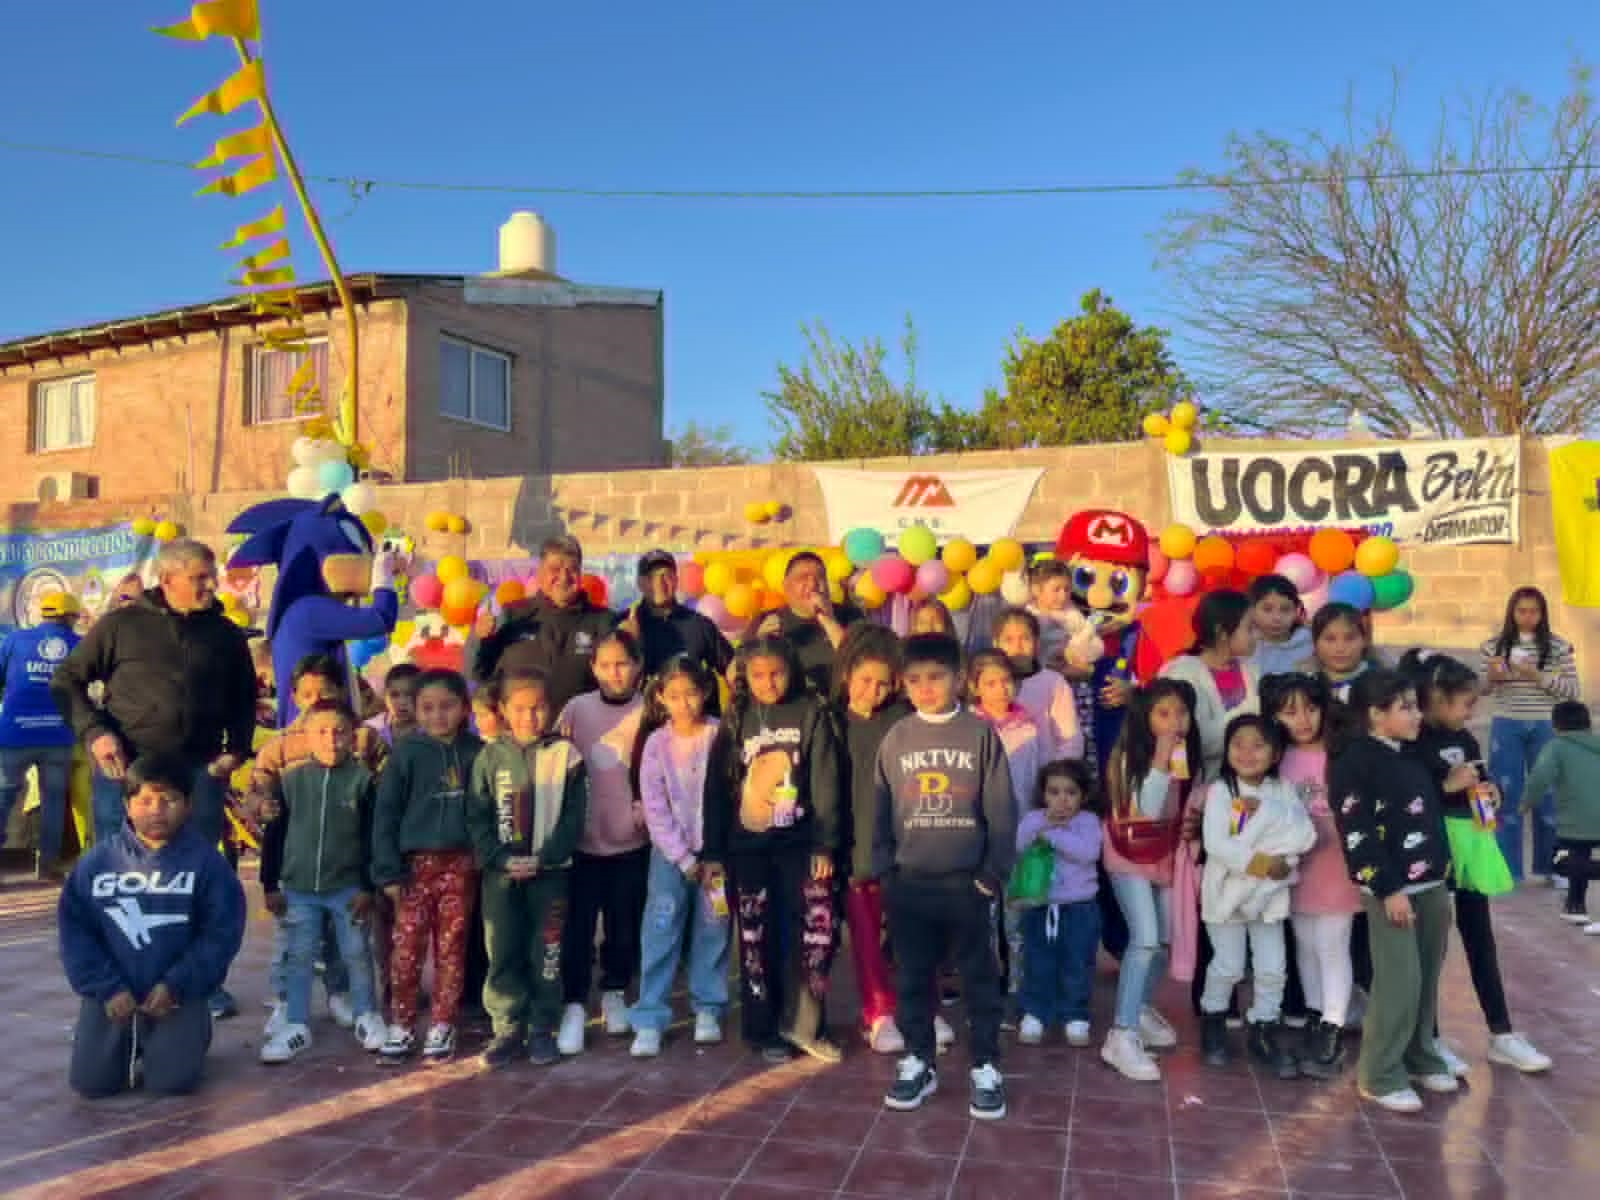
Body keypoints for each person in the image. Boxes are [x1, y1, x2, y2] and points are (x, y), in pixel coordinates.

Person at [52, 539, 256, 1019]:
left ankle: (199, 985)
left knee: (198, 878)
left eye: (210, 576)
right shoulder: (121, 625)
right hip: (126, 772)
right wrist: (96, 734)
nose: (210, 586)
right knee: (115, 880)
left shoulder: (225, 634)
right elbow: (66, 680)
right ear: (167, 580)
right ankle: (108, 991)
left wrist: (236, 749)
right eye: (199, 578)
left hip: (197, 773)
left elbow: (244, 697)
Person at [873, 633, 1016, 1120]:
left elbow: (1001, 809)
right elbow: (880, 807)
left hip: (967, 884)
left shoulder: (979, 735)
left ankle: (985, 1065)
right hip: (911, 884)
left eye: (935, 677)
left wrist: (992, 874)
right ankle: (919, 1060)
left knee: (979, 979)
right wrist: (886, 870)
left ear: (959, 679)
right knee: (913, 978)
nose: (925, 688)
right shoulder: (897, 737)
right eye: (914, 679)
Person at [58, 755, 246, 1098]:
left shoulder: (208, 864)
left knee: (170, 1084)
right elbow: (76, 932)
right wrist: (106, 987)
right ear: (127, 806)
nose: (157, 810)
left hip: (176, 994)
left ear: (188, 806)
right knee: (91, 1084)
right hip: (111, 994)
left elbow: (220, 935)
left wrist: (177, 985)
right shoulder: (97, 863)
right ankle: (126, 1039)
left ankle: (193, 1028)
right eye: (145, 800)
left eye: (169, 800)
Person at [1401, 650, 1551, 1075]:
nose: (1471, 712)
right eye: (1465, 703)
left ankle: (1502, 1033)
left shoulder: (1464, 739)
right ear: (1436, 699)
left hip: (1469, 846)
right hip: (1431, 851)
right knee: (1431, 946)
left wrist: (1489, 794)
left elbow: (1479, 778)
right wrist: (1446, 786)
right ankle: (1428, 1037)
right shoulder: (1413, 742)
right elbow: (1410, 798)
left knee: (1480, 938)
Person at [703, 635, 844, 1063]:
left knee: (813, 935)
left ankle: (805, 1025)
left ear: (791, 670)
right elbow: (717, 790)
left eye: (776, 673)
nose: (768, 683)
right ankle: (761, 1029)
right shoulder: (737, 717)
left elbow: (825, 780)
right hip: (747, 850)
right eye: (759, 675)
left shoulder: (810, 712)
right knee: (755, 940)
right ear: (746, 676)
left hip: (801, 846)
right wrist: (713, 852)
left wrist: (824, 844)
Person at [1329, 669, 1454, 1114]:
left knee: (1426, 978)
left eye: (1415, 706)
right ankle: (1379, 1074)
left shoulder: (1414, 752)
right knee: (1399, 981)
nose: (1417, 715)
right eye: (1406, 708)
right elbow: (1357, 831)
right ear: (1375, 714)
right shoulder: (1354, 762)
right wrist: (1387, 889)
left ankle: (1420, 1056)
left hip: (1432, 884)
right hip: (1392, 890)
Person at [252, 655, 387, 1038]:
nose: (330, 738)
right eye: (307, 694)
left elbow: (375, 821)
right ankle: (287, 1008)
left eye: (325, 692)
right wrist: (269, 882)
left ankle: (347, 999)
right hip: (298, 877)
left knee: (351, 948)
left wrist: (369, 883)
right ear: (294, 697)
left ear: (342, 693)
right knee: (294, 947)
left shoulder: (363, 750)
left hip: (345, 877)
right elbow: (267, 814)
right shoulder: (282, 755)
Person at [468, 670, 588, 1068]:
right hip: (501, 878)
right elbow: (477, 816)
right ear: (503, 710)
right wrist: (500, 858)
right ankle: (507, 1027)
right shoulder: (489, 757)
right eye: (519, 708)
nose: (529, 717)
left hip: (550, 875)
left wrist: (545, 857)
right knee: (502, 949)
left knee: (547, 950)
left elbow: (574, 817)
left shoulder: (567, 755)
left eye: (538, 708)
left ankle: (541, 1026)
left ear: (550, 708)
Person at [372, 669, 483, 1060]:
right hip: (413, 869)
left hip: (461, 865)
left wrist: (483, 855)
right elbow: (386, 814)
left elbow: (486, 809)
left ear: (465, 708)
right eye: (428, 708)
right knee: (406, 949)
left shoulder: (477, 752)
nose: (438, 715)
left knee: (451, 948)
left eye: (447, 706)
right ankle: (402, 1024)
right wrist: (387, 871)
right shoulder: (406, 754)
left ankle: (442, 1024)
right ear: (417, 712)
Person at [1197, 715, 1314, 1075]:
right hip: (1228, 897)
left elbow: (1303, 834)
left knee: (1272, 968)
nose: (1247, 753)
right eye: (1238, 745)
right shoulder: (1222, 792)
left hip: (1269, 897)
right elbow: (1218, 845)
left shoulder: (1283, 791)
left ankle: (1263, 1028)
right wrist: (1264, 862)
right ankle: (1213, 1018)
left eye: (1258, 745)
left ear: (1276, 753)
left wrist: (1277, 843)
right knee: (1229, 965)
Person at [1100, 679, 1204, 1082]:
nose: (1175, 722)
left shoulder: (1187, 755)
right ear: (1145, 718)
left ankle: (1140, 1007)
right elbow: (1146, 806)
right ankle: (1121, 1033)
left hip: (1165, 855)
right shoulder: (1131, 755)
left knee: (1162, 940)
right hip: (1128, 855)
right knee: (1143, 939)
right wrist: (1162, 753)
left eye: (1182, 713)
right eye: (1163, 713)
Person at [833, 625, 929, 1054]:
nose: (872, 692)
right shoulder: (831, 722)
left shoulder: (903, 721)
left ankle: (920, 1008)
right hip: (855, 850)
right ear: (846, 673)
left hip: (904, 849)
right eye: (865, 680)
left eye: (883, 684)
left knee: (912, 935)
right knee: (867, 937)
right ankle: (878, 1014)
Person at [628, 657, 730, 1056]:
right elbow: (655, 807)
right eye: (674, 695)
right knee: (661, 928)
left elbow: (731, 795)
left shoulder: (721, 735)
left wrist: (715, 853)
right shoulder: (657, 743)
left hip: (716, 857)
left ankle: (709, 1007)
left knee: (714, 927)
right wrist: (684, 858)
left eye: (691, 693)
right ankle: (650, 1014)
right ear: (660, 697)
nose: (684, 703)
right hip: (670, 858)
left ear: (705, 692)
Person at [555, 630, 649, 1055]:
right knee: (577, 927)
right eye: (605, 664)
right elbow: (556, 759)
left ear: (638, 666)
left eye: (623, 663)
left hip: (631, 843)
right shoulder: (577, 709)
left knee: (623, 925)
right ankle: (574, 1002)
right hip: (582, 842)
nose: (615, 673)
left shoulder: (649, 710)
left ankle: (614, 990)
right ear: (593, 667)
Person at [1262, 672, 1359, 1079]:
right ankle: (1317, 1016)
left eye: (1311, 709)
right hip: (1295, 862)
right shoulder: (1276, 757)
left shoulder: (1342, 753)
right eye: (1290, 712)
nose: (1302, 720)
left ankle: (1334, 1026)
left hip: (1337, 859)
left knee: (1332, 942)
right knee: (1304, 941)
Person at [1480, 587, 1581, 882]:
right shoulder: (1494, 646)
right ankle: (1507, 870)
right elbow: (1481, 689)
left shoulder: (1558, 647)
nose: (1527, 617)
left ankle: (1553, 867)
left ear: (1543, 613)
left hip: (1545, 724)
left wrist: (1538, 676)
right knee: (1504, 796)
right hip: (1506, 723)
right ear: (1511, 612)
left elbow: (1573, 691)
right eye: (1521, 611)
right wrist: (1493, 678)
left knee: (1549, 796)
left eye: (1534, 611)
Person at [969, 649, 1043, 1010]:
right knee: (984, 918)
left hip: (1023, 833)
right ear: (975, 687)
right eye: (991, 683)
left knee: (1018, 917)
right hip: (982, 838)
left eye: (1007, 681)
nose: (1001, 689)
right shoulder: (969, 727)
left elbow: (1038, 778)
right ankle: (985, 987)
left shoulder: (1029, 725)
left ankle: (1018, 987)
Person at [469, 535, 616, 711]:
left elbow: (619, 682)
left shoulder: (603, 621)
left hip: (583, 725)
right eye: (555, 569)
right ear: (539, 572)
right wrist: (479, 639)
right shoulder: (512, 616)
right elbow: (476, 674)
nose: (564, 577)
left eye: (572, 569)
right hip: (522, 726)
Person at [1014, 759, 1103, 1048]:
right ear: (1043, 794)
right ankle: (1035, 1013)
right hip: (1039, 906)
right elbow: (1020, 843)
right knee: (1038, 960)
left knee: (1077, 962)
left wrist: (1053, 836)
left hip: (1080, 907)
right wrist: (1045, 824)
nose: (1062, 800)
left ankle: (1075, 1014)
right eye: (1054, 792)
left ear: (1083, 796)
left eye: (1070, 792)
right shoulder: (1034, 819)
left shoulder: (1088, 822)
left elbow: (1088, 853)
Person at [0, 590, 81, 877]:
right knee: (53, 801)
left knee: (4, 797)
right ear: (71, 617)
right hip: (58, 736)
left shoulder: (14, 640)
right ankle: (48, 865)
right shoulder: (79, 643)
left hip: (15, 734)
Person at [1159, 590, 1261, 782]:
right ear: (1221, 633)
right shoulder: (1182, 674)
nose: (1257, 635)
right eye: (1250, 628)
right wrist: (1253, 707)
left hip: (1248, 784)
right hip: (1200, 788)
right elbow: (1197, 739)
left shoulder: (1252, 670)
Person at [1523, 701, 1600, 932]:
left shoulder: (1557, 747)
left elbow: (1539, 777)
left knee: (1561, 861)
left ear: (1556, 726)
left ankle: (1576, 905)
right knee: (1579, 855)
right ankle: (1575, 906)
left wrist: (1526, 803)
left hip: (1575, 823)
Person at [746, 552, 863, 694]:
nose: (813, 585)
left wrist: (829, 620)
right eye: (803, 578)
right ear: (785, 586)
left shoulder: (850, 616)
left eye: (820, 578)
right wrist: (756, 646)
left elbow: (862, 666)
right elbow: (734, 676)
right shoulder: (765, 621)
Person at [620, 550, 735, 682]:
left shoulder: (699, 625)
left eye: (666, 576)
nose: (659, 583)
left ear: (676, 580)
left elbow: (733, 668)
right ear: (640, 583)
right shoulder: (623, 624)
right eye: (651, 577)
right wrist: (627, 641)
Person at [992, 608, 1083, 763]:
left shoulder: (1053, 683)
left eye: (1025, 638)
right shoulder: (987, 684)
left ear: (1036, 643)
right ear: (996, 644)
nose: (1017, 646)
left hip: (1045, 772)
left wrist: (1054, 773)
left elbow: (1071, 741)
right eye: (1008, 640)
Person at [1025, 559, 1102, 675]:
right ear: (1036, 590)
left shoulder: (1070, 611)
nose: (1063, 595)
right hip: (1045, 669)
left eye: (1067, 589)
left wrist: (1089, 629)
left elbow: (1085, 633)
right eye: (1056, 590)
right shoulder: (1031, 616)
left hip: (1072, 663)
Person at [1299, 603, 1382, 704]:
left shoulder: (1380, 682)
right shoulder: (1305, 683)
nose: (1340, 648)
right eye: (1330, 639)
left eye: (1350, 638)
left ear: (1364, 641)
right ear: (1315, 643)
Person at [1247, 575, 1312, 678]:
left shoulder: (1310, 644)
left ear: (1296, 611)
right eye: (1267, 609)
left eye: (1285, 609)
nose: (1277, 618)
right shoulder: (1244, 647)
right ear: (1252, 610)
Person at [367, 663, 421, 747]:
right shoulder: (374, 727)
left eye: (409, 694)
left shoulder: (430, 730)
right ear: (385, 696)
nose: (402, 702)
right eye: (394, 695)